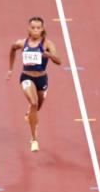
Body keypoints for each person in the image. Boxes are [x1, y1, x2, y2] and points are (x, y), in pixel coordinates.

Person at [6, 17, 62, 152]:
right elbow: (12, 49)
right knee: (34, 103)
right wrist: (10, 69)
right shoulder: (22, 43)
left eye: (38, 28)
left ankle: (29, 114)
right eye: (33, 27)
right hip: (26, 77)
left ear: (42, 29)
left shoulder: (47, 44)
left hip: (42, 80)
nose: (35, 30)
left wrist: (47, 54)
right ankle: (34, 139)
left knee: (37, 106)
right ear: (28, 29)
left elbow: (59, 60)